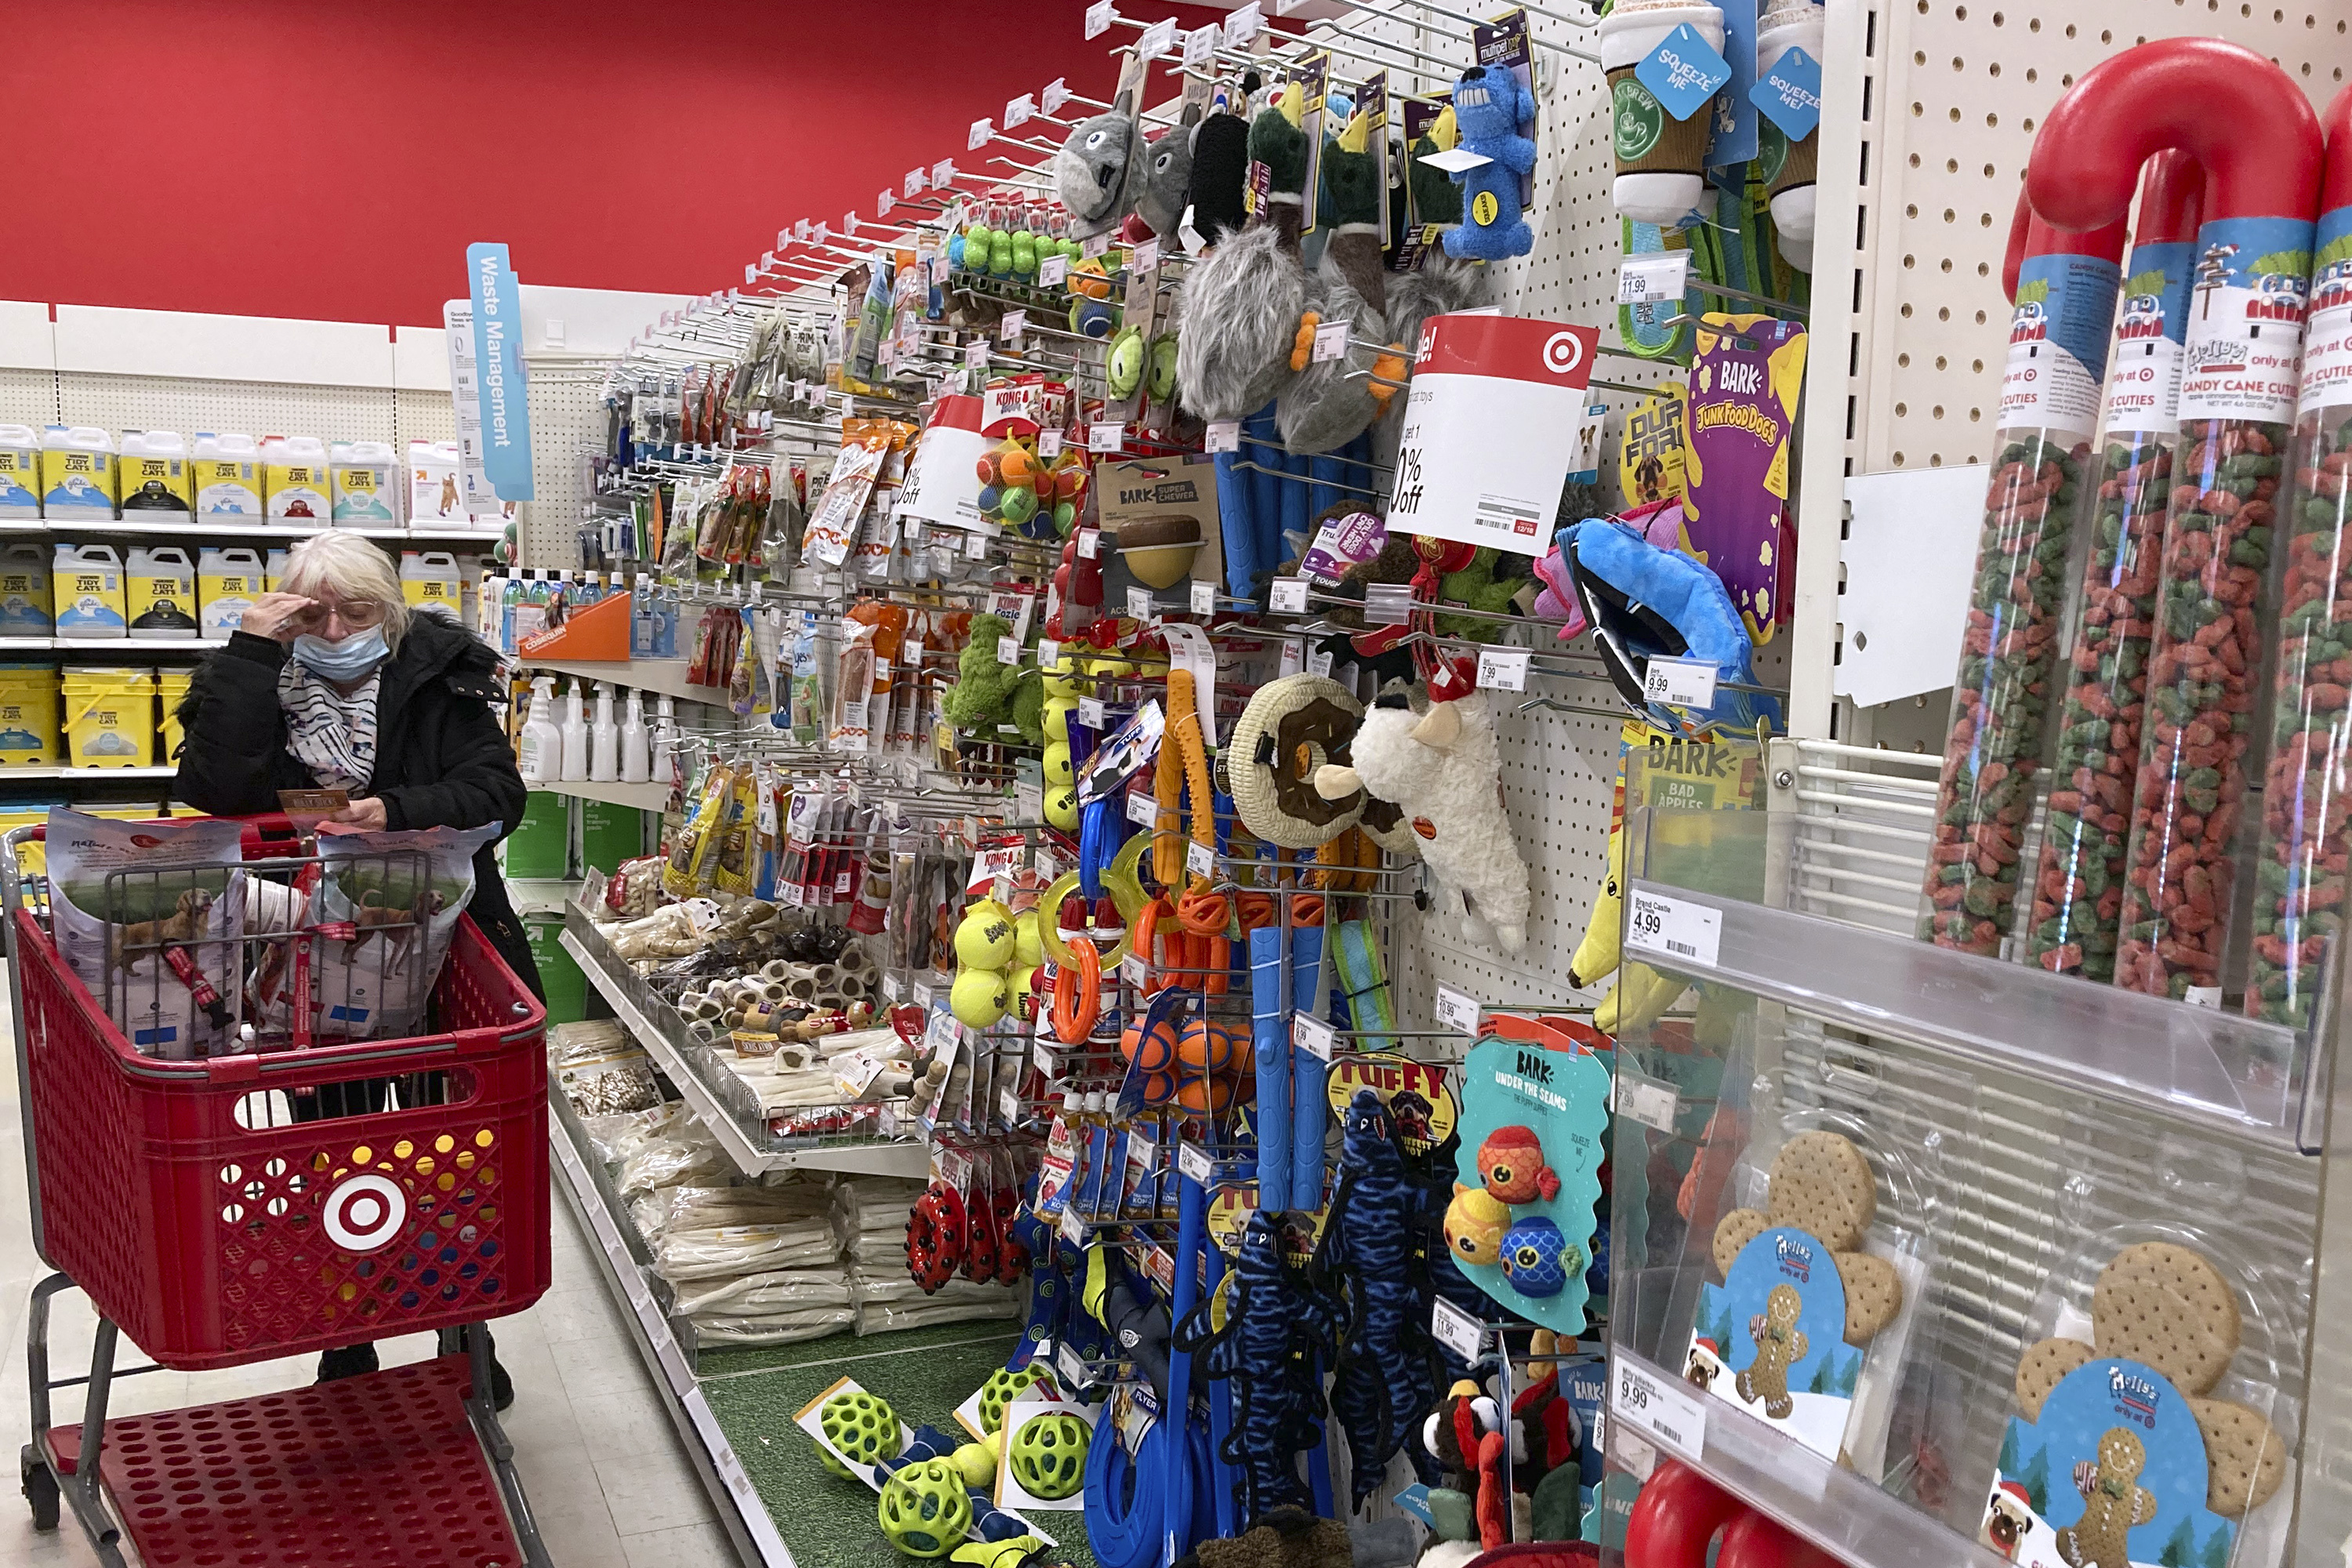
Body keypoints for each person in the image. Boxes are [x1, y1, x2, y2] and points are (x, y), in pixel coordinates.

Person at [173, 532, 539, 1405]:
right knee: (332, 1150)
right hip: (306, 950)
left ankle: (463, 1324)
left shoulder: (439, 676)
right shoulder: (257, 675)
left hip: (438, 947)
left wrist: (395, 808)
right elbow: (213, 789)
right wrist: (252, 653)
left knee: (446, 1158)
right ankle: (348, 1328)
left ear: (392, 609)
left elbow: (498, 794)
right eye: (314, 614)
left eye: (359, 610)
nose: (337, 630)